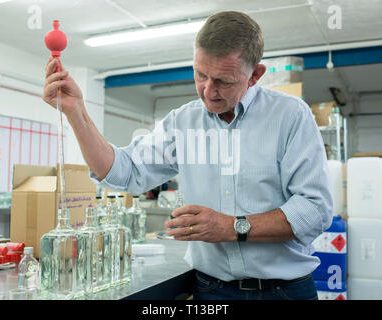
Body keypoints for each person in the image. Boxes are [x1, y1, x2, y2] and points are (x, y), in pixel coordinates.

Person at [43, 11, 333, 300]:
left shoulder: (290, 116)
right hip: (211, 291)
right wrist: (76, 112)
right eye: (200, 75)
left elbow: (314, 210)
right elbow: (124, 171)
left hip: (283, 292)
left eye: (223, 81)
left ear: (255, 75)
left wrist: (231, 226)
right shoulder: (183, 122)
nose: (208, 91)